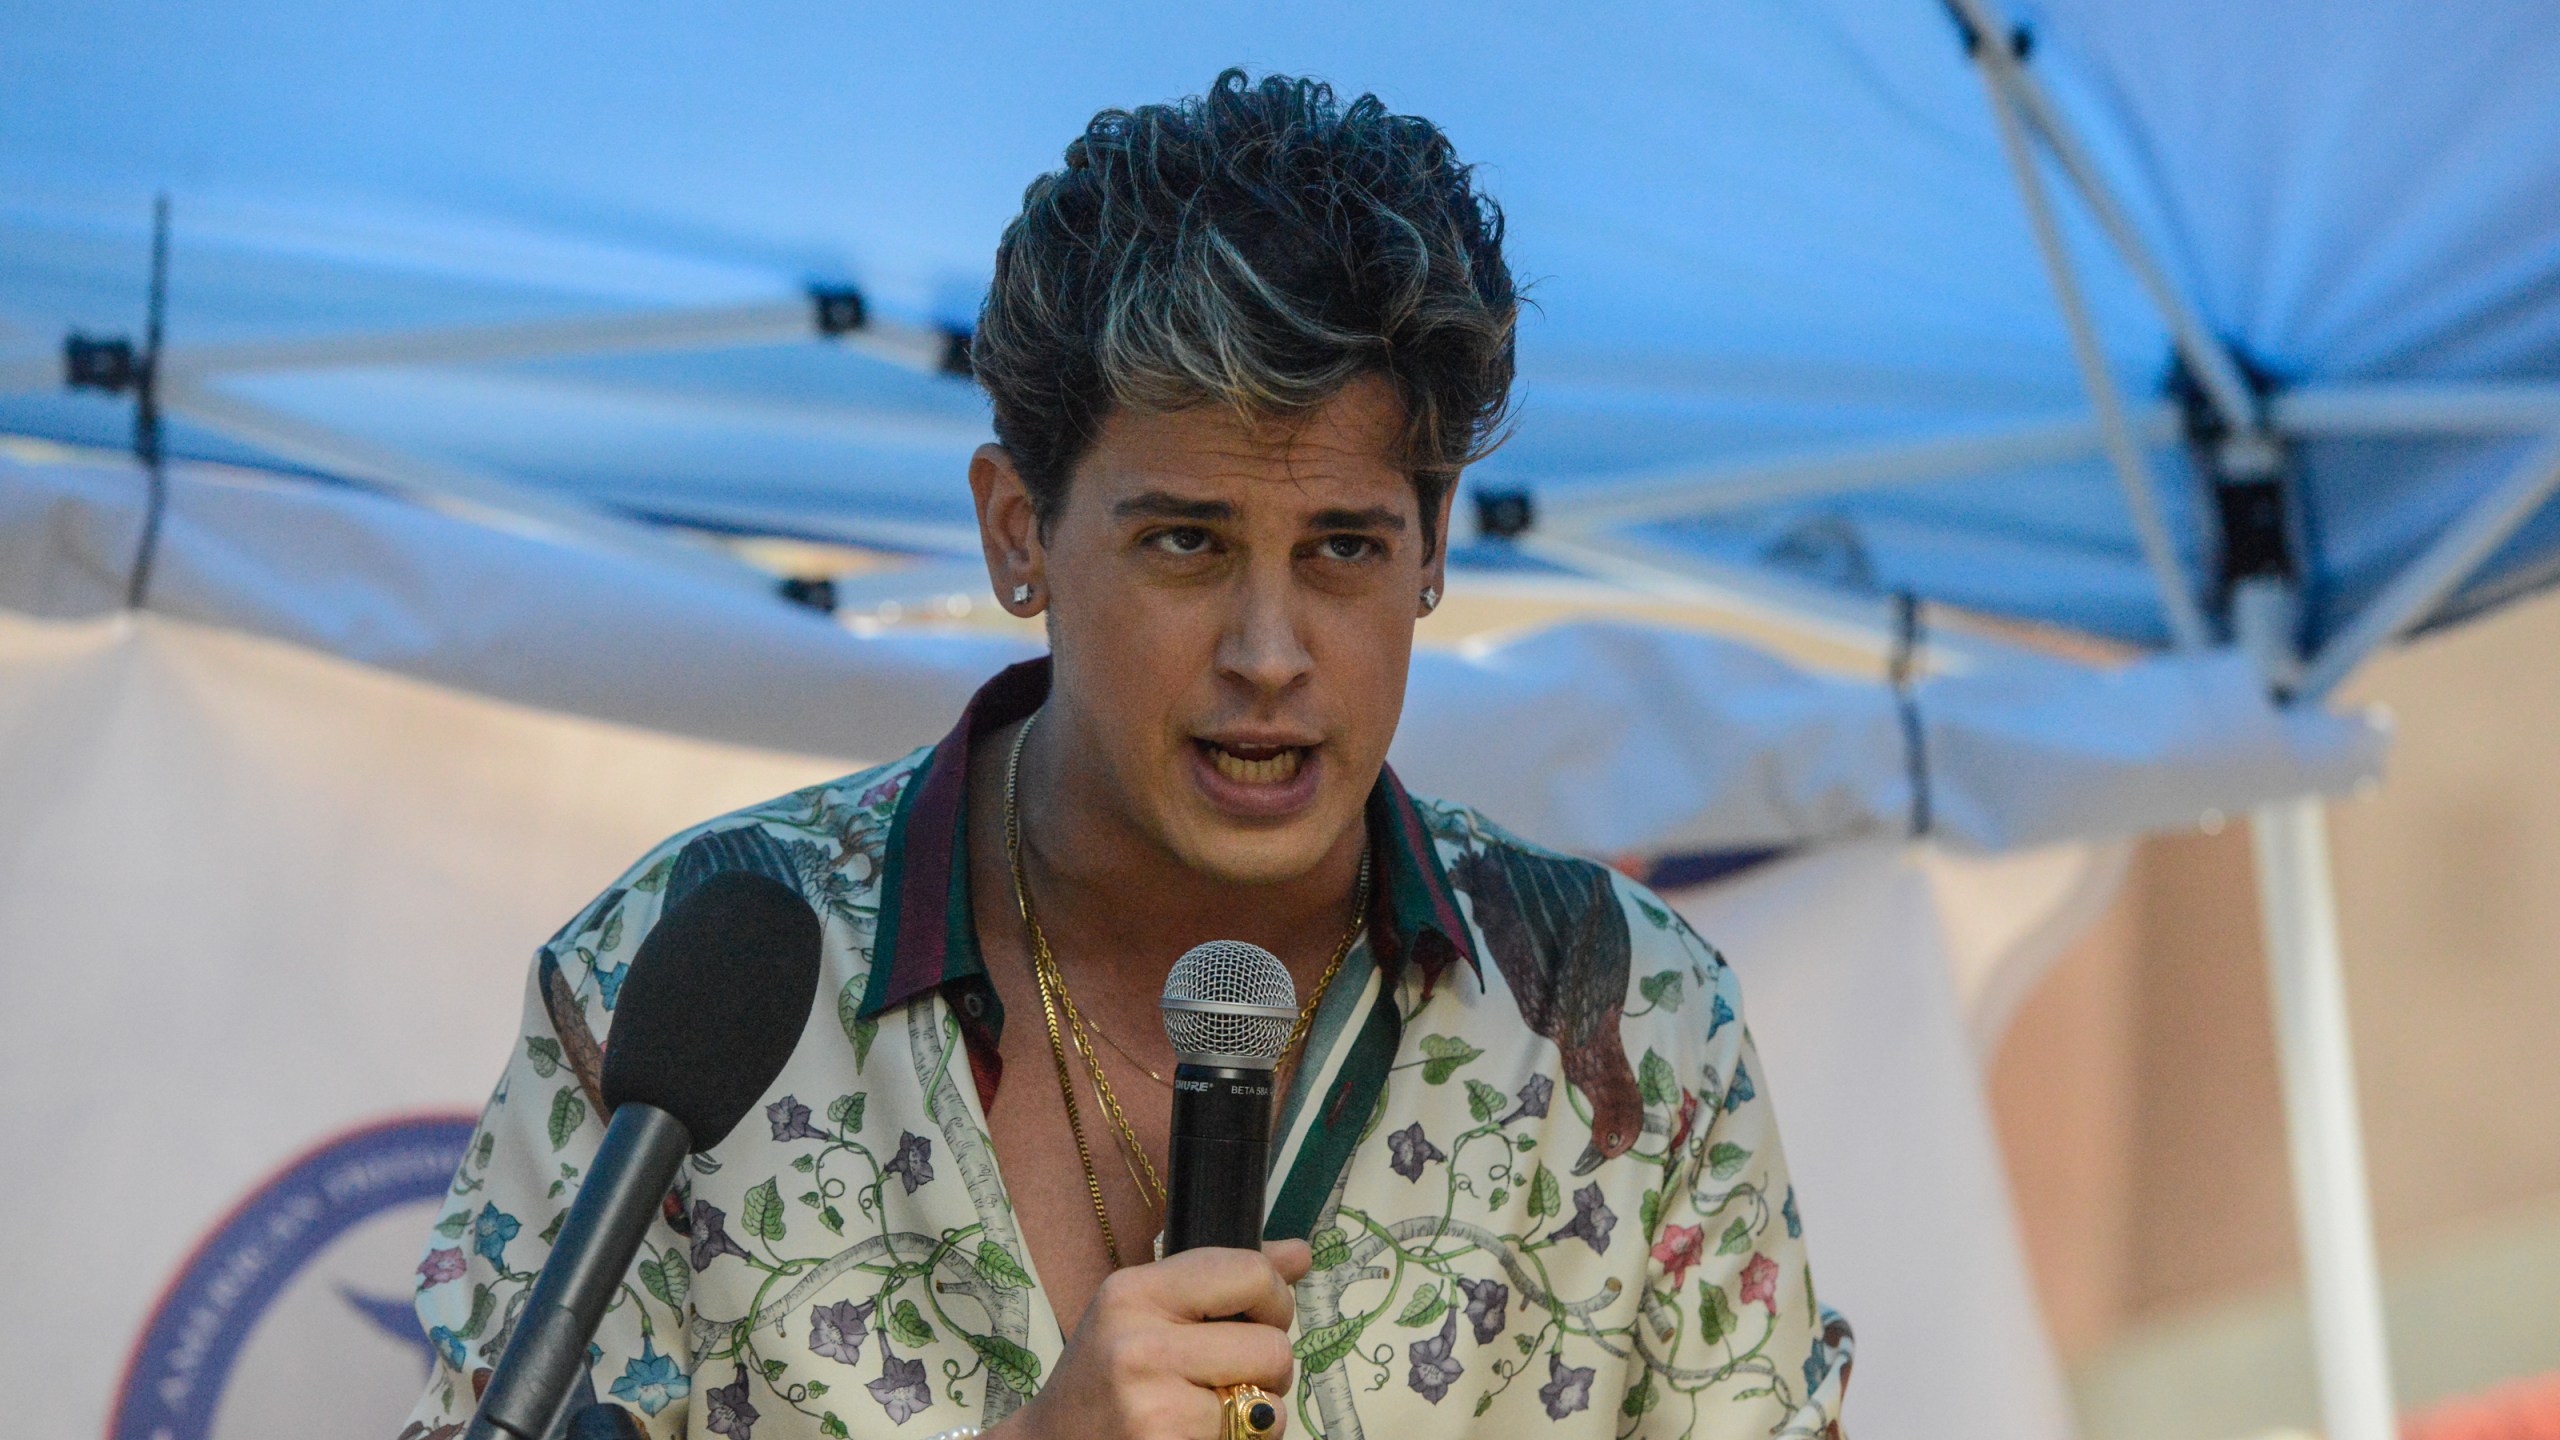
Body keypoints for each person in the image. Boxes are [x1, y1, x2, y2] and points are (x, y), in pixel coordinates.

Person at [403, 70, 1850, 1440]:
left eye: (1344, 548)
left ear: (1433, 553)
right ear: (1016, 532)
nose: (1269, 652)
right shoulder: (688, 966)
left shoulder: (1634, 1023)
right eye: (1185, 543)